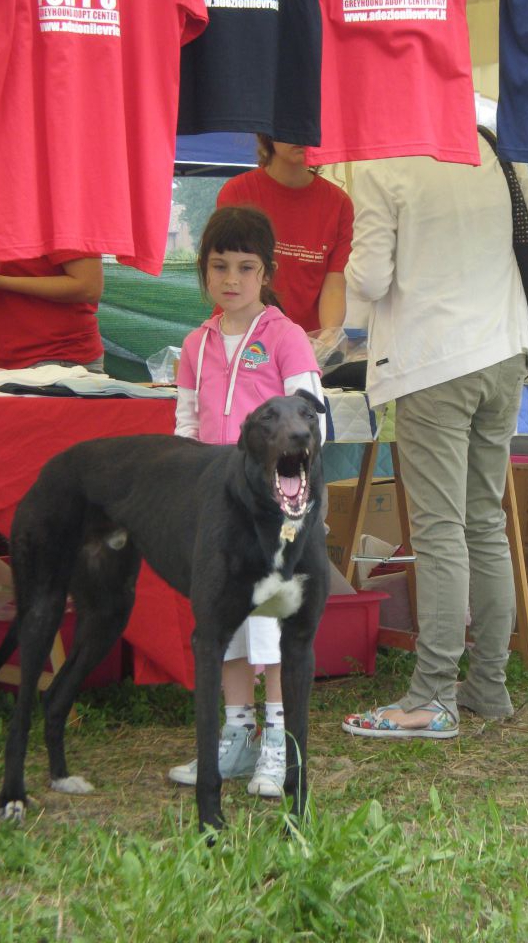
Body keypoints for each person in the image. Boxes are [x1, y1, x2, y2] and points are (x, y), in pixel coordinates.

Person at [341, 131, 528, 740]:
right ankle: (488, 684)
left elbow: (369, 280)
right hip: (505, 351)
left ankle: (433, 696)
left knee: (440, 531)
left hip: (435, 360)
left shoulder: (386, 161)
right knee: (483, 522)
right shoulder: (495, 144)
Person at [168, 205, 325, 796]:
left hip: (274, 515)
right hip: (219, 514)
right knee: (225, 623)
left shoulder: (285, 337)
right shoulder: (194, 344)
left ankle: (281, 747)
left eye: (245, 267)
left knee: (273, 631)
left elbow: (310, 422)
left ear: (267, 272)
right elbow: (185, 424)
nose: (231, 279)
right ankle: (236, 738)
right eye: (218, 266)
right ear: (203, 272)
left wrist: (290, 496)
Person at [216, 135, 354, 332]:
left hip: (304, 343)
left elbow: (334, 286)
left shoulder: (338, 203)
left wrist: (328, 337)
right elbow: (230, 276)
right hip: (242, 334)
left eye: (310, 124)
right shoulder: (237, 192)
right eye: (290, 123)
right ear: (267, 133)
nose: (301, 134)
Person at [0, 242, 105, 371]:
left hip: (58, 361)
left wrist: (0, 282)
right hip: (6, 364)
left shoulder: (65, 219)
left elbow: (89, 287)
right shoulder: (3, 225)